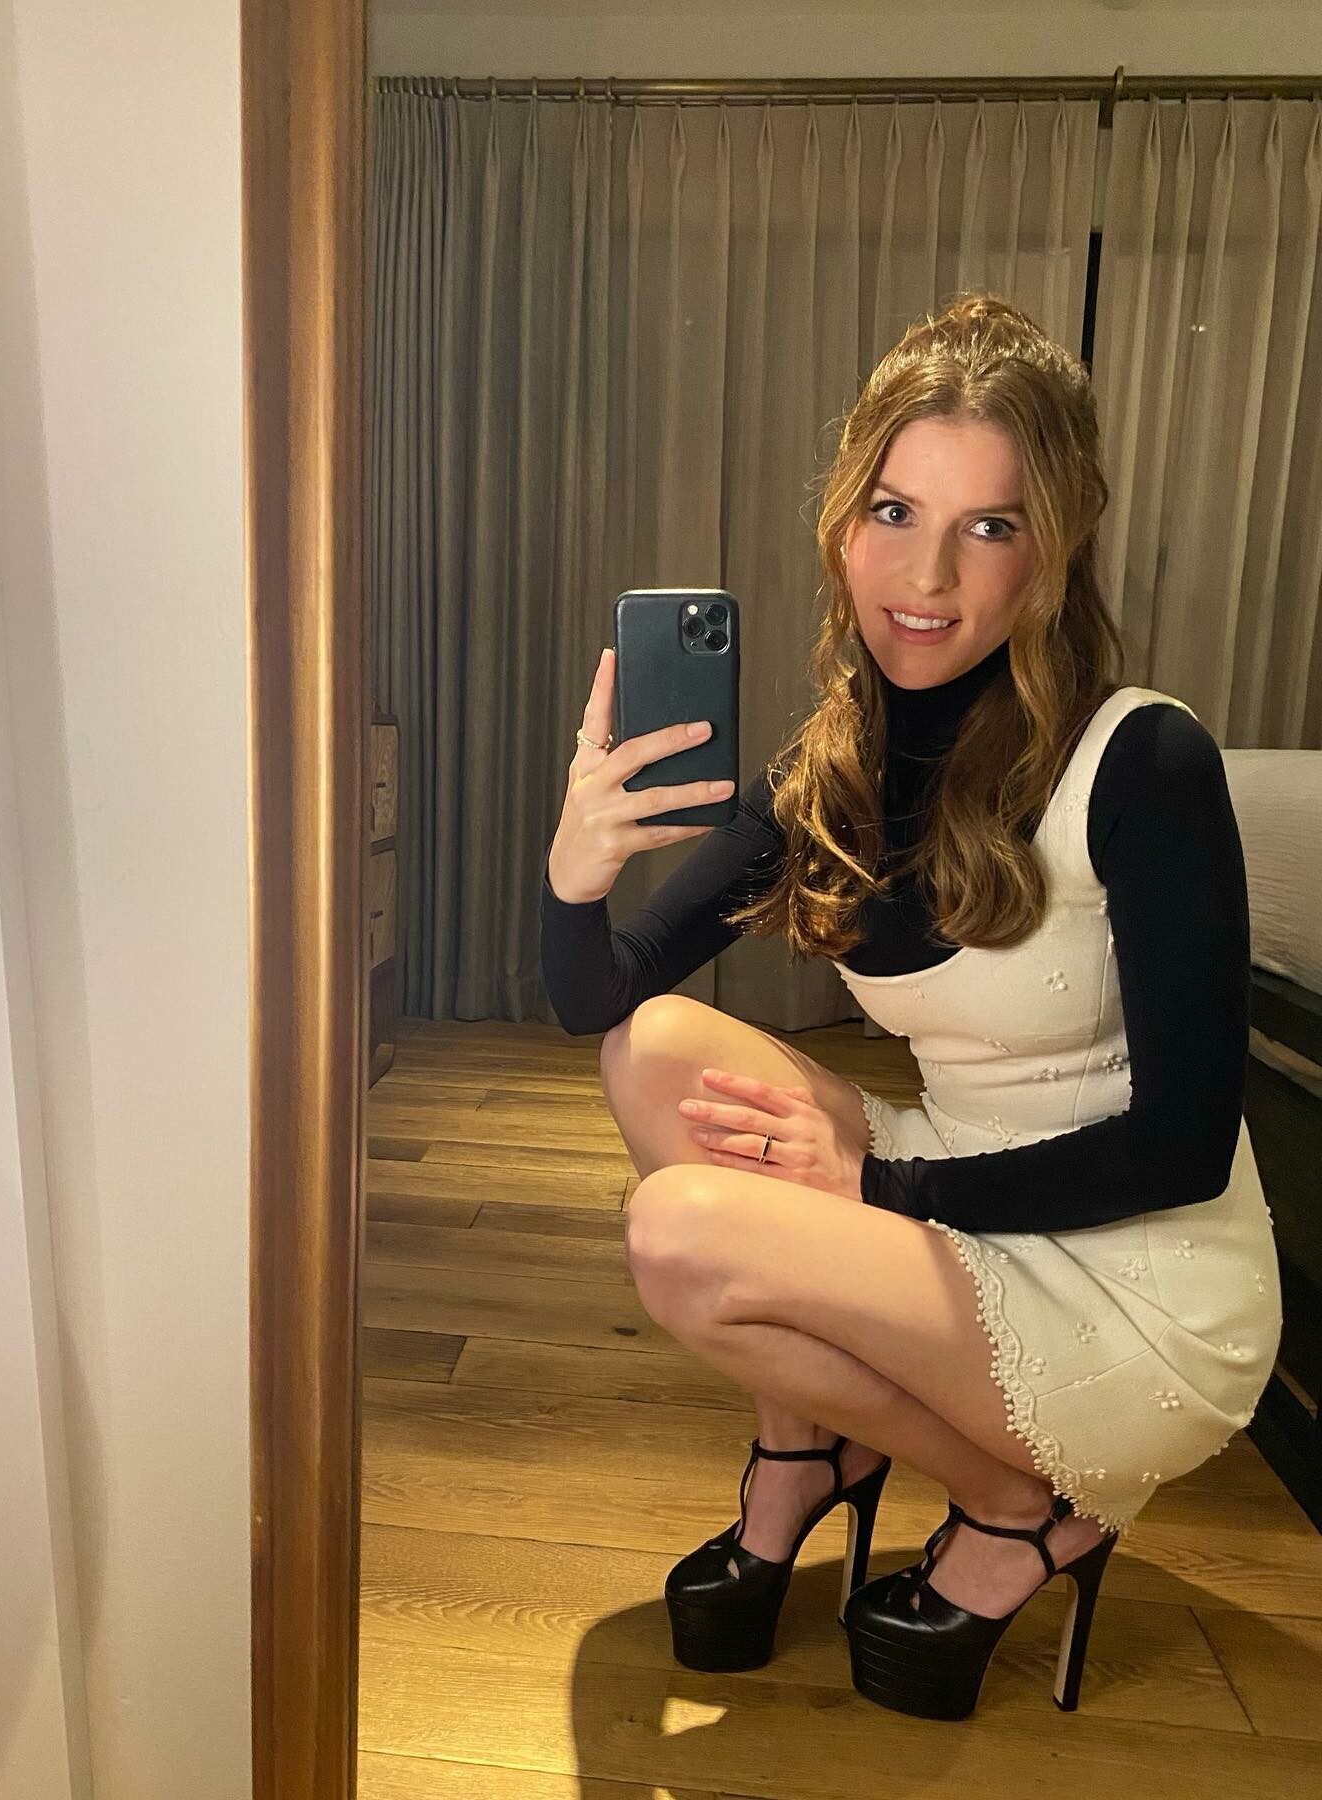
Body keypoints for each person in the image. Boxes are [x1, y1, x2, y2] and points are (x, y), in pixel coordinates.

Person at [537, 292, 1283, 1721]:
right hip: (966, 1184)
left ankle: (1019, 1506)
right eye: (895, 510)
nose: (926, 574)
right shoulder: (831, 765)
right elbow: (598, 1002)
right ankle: (810, 1447)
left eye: (988, 526)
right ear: (844, 525)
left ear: (1051, 552)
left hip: (1142, 1269)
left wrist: (882, 1188)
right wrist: (576, 876)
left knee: (679, 1238)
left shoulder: (1143, 763)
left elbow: (1186, 1147)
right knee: (656, 1052)